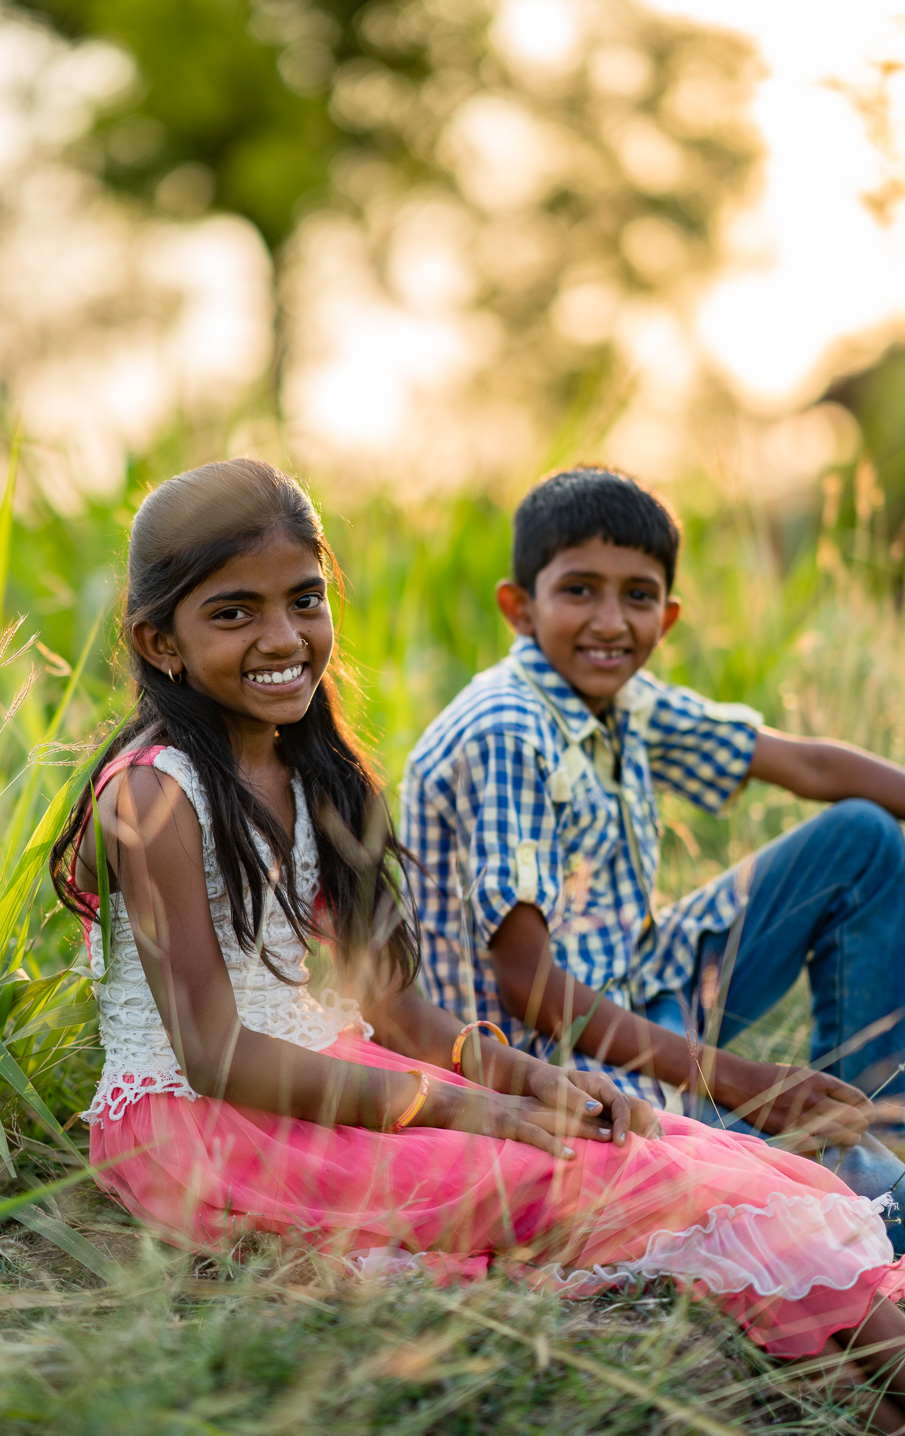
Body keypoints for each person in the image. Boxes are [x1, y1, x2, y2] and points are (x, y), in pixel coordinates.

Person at [53, 458, 905, 1429]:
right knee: (632, 1181)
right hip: (200, 1126)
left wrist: (524, 1081)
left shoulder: (315, 773)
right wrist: (464, 1113)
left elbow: (399, 1012)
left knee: (709, 1158)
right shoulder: (155, 796)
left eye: (304, 600)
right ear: (159, 642)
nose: (283, 637)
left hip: (335, 1070)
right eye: (234, 613)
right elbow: (212, 1056)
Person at [400, 464, 905, 1248]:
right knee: (883, 1209)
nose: (609, 621)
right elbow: (530, 987)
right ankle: (846, 1169)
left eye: (635, 596)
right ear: (519, 607)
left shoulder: (621, 698)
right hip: (553, 1054)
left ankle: (871, 1113)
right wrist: (736, 1079)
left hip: (641, 981)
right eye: (579, 590)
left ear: (664, 618)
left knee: (861, 838)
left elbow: (807, 766)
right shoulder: (507, 732)